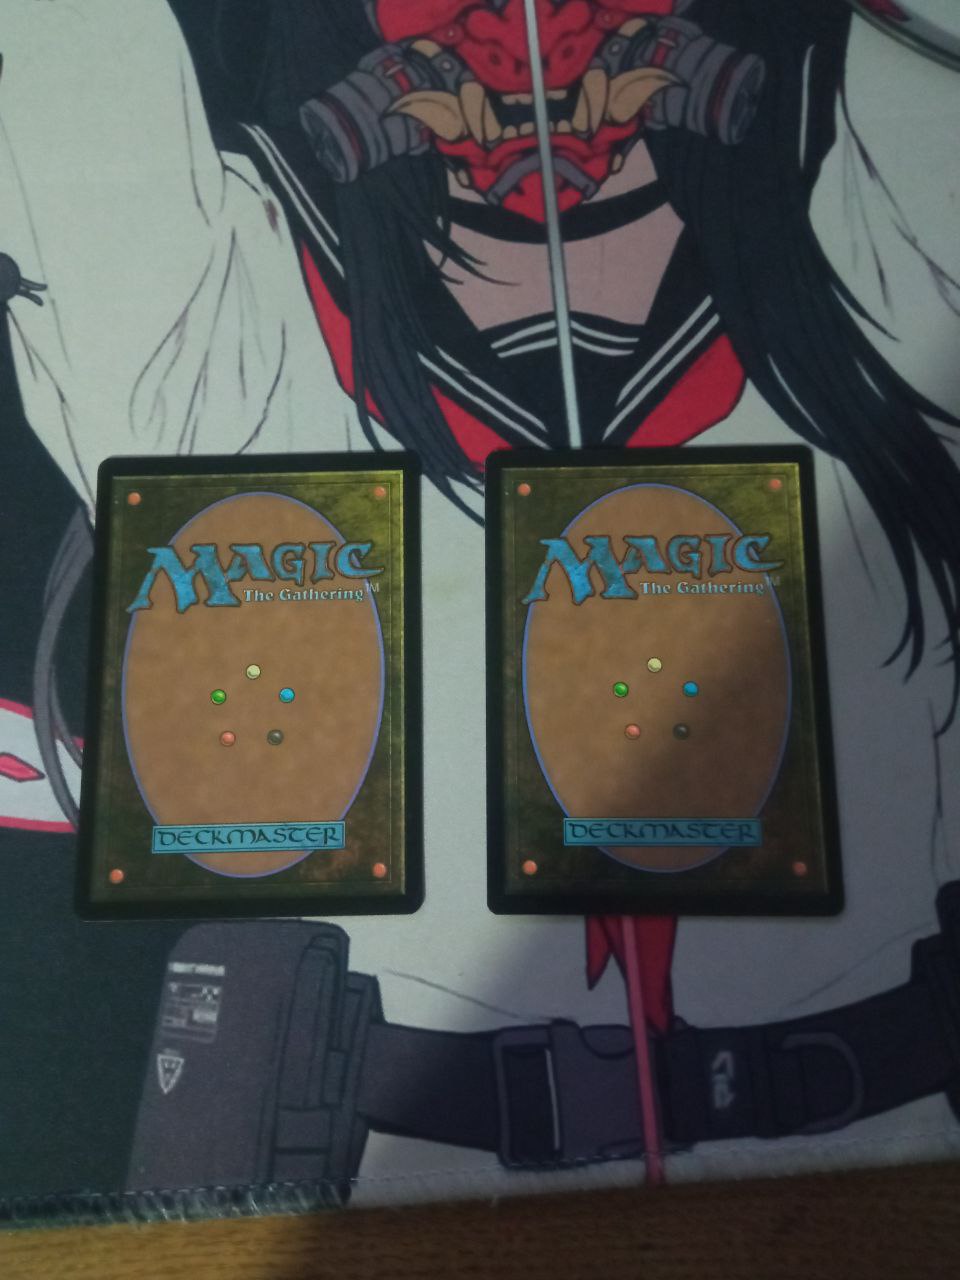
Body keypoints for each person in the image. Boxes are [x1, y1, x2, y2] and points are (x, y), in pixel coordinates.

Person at [1, 0, 959, 1210]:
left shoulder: (872, 256)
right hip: (394, 1186)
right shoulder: (248, 331)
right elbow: (72, 66)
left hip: (889, 1170)